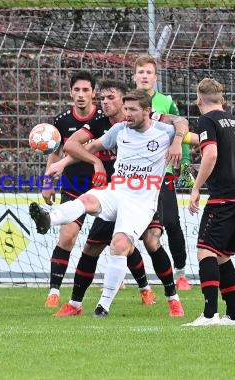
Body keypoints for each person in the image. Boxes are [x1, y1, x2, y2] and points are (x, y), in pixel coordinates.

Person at [30, 89, 188, 317]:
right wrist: (62, 164)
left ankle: (106, 305)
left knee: (121, 245)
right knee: (87, 200)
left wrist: (178, 141)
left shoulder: (164, 132)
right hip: (116, 191)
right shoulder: (119, 129)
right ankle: (49, 218)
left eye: (133, 110)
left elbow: (183, 121)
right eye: (126, 109)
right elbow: (91, 148)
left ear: (147, 111)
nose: (127, 114)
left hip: (141, 202)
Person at [45, 80, 157, 317]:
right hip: (96, 190)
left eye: (110, 98)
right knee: (87, 244)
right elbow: (74, 147)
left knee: (135, 244)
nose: (105, 102)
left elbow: (177, 125)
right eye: (103, 99)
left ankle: (152, 290)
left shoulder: (150, 125)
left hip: (135, 195)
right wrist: (60, 168)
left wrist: (180, 144)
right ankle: (62, 296)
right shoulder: (98, 125)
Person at [183, 78, 235, 327]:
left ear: (198, 100)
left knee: (205, 249)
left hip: (225, 196)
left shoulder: (207, 120)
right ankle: (234, 316)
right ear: (222, 99)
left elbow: (211, 154)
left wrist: (195, 188)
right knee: (223, 255)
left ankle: (209, 314)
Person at [42, 70, 103, 308]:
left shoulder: (103, 118)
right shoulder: (61, 121)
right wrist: (48, 183)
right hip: (74, 187)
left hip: (103, 189)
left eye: (85, 90)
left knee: (119, 242)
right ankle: (54, 291)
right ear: (70, 93)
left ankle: (145, 288)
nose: (80, 94)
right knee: (67, 236)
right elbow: (54, 154)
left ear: (93, 93)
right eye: (76, 90)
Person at [134, 55, 192, 290]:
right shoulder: (128, 102)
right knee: (124, 225)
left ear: (155, 78)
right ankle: (127, 278)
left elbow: (183, 133)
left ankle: (180, 273)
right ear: (134, 76)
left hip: (163, 172)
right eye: (141, 72)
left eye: (149, 72)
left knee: (171, 221)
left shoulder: (166, 103)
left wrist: (185, 165)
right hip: (134, 176)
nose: (145, 76)